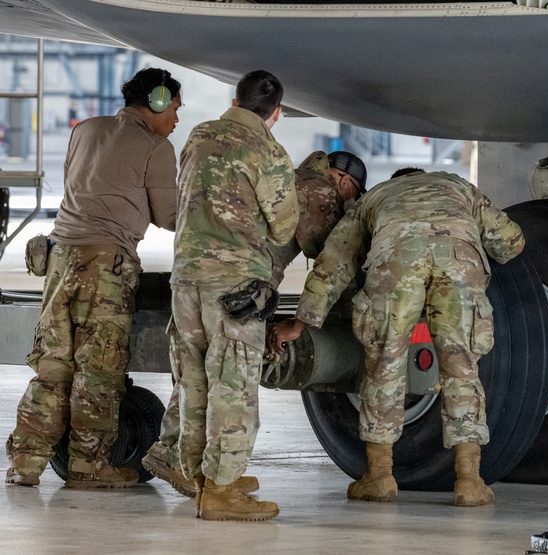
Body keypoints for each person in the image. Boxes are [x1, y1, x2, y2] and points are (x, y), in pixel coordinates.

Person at [270, 168, 524, 507]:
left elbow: (335, 262)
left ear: (396, 180)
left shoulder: (375, 197)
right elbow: (511, 242)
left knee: (385, 365)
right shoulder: (459, 187)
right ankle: (469, 481)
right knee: (461, 368)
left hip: (396, 258)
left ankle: (380, 477)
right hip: (459, 261)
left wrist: (300, 323)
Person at [141, 150, 367, 498]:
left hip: (200, 272)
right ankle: (185, 462)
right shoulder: (320, 191)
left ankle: (192, 463)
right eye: (352, 194)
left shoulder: (291, 180)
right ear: (344, 180)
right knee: (227, 377)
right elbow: (333, 254)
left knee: (198, 368)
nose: (348, 202)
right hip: (241, 282)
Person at [5, 68, 182, 489]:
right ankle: (89, 467)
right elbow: (170, 216)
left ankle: (25, 464)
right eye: (174, 108)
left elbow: (74, 184)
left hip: (59, 258)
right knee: (98, 371)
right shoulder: (156, 146)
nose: (176, 118)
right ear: (156, 102)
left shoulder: (84, 130)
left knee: (51, 367)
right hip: (105, 267)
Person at [169, 70, 298, 521]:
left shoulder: (198, 135)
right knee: (233, 387)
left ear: (234, 98)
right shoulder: (269, 151)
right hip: (235, 287)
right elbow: (284, 227)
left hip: (185, 279)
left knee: (193, 381)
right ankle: (221, 491)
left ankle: (202, 476)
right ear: (275, 113)